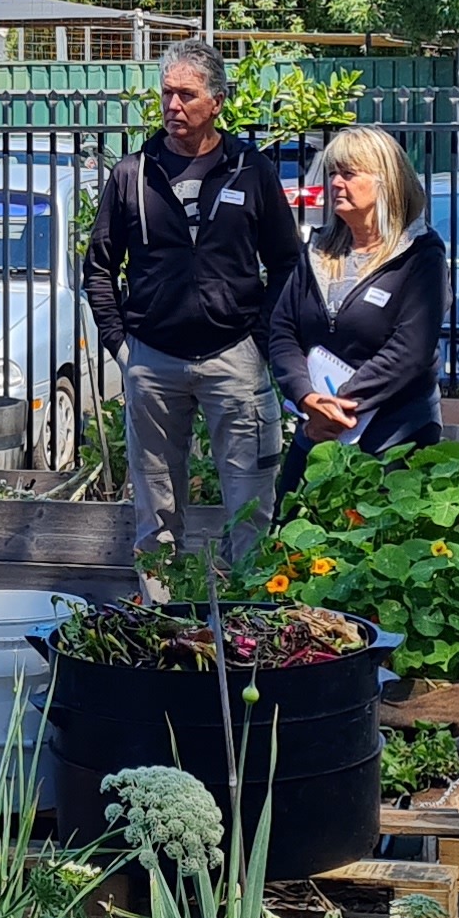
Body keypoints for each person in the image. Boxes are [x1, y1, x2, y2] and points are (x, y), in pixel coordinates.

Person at [81, 38, 302, 578]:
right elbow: (99, 269)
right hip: (153, 361)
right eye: (167, 94)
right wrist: (121, 347)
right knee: (154, 510)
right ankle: (160, 620)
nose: (173, 106)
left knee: (251, 502)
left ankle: (247, 618)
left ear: (217, 102)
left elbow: (287, 263)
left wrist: (259, 339)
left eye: (187, 94)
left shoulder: (251, 168)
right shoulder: (134, 173)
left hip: (235, 358)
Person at [260, 122, 444, 500]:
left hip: (395, 437)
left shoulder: (421, 255)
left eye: (348, 173)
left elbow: (411, 349)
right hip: (316, 433)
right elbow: (281, 330)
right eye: (332, 173)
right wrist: (308, 400)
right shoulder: (316, 251)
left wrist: (339, 405)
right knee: (290, 541)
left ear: (385, 182)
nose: (335, 183)